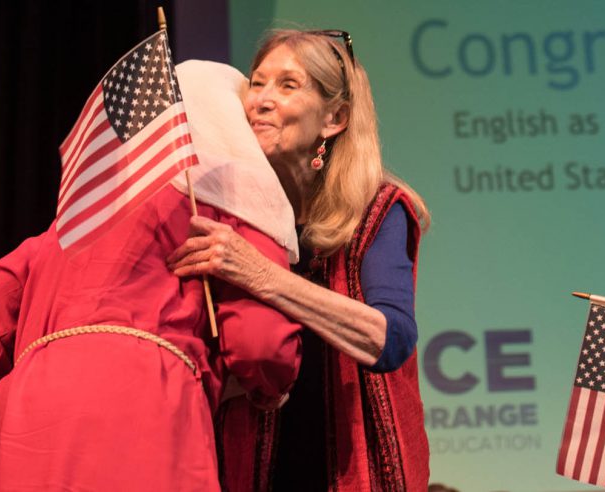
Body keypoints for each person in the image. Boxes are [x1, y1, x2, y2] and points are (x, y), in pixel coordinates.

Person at [0, 59, 303, 491]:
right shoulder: (241, 207)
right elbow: (260, 345)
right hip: (145, 402)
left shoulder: (77, 220)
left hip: (25, 417)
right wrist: (269, 388)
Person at [166, 29, 432, 490]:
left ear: (334, 119)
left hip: (352, 461)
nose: (261, 101)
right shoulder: (230, 209)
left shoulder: (377, 208)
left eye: (288, 86)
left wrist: (262, 274)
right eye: (258, 82)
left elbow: (390, 339)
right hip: (251, 459)